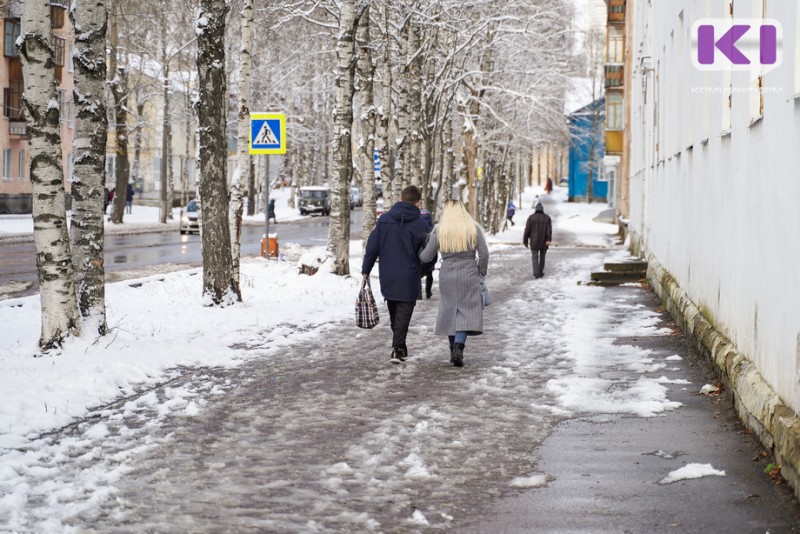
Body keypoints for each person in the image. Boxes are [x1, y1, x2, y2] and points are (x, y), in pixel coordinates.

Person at [419, 187, 489, 367]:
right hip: (469, 274)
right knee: (466, 312)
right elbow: (484, 254)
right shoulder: (473, 229)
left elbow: (426, 256)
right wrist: (481, 271)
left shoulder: (439, 231)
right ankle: (459, 345)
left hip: (447, 275)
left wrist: (416, 253)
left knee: (450, 310)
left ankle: (453, 350)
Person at [362, 185, 430, 364]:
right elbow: (429, 251)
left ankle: (399, 345)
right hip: (410, 274)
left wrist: (365, 270)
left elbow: (372, 247)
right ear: (418, 202)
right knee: (404, 311)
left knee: (395, 311)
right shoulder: (422, 224)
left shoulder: (384, 220)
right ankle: (397, 348)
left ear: (400, 198)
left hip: (388, 274)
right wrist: (424, 270)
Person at [523, 202, 552, 279]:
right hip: (544, 241)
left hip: (534, 241)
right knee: (542, 257)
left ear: (536, 209)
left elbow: (527, 230)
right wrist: (548, 239)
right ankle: (540, 271)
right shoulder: (547, 218)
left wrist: (525, 240)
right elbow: (549, 230)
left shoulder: (531, 218)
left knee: (534, 257)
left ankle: (536, 273)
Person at [419, 208, 435, 300]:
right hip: (431, 252)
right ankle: (428, 292)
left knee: (418, 275)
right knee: (430, 273)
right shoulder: (432, 227)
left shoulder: (418, 225)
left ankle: (419, 294)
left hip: (419, 253)